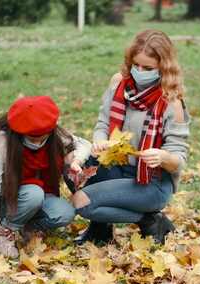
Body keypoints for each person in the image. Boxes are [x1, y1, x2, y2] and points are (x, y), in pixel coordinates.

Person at [71, 29, 190, 245]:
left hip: (150, 183)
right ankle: (101, 229)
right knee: (72, 167)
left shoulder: (172, 102)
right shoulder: (119, 82)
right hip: (115, 166)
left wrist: (163, 157)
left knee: (82, 203)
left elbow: (179, 160)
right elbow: (103, 124)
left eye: (148, 68)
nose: (139, 71)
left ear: (163, 68)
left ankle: (150, 219)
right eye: (136, 65)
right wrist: (100, 141)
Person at [0, 96, 91, 259]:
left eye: (43, 137)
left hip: (37, 195)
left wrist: (76, 160)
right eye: (33, 138)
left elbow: (84, 145)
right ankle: (3, 231)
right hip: (6, 199)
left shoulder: (54, 135)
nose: (38, 142)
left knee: (64, 212)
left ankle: (26, 227)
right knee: (34, 193)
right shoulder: (0, 144)